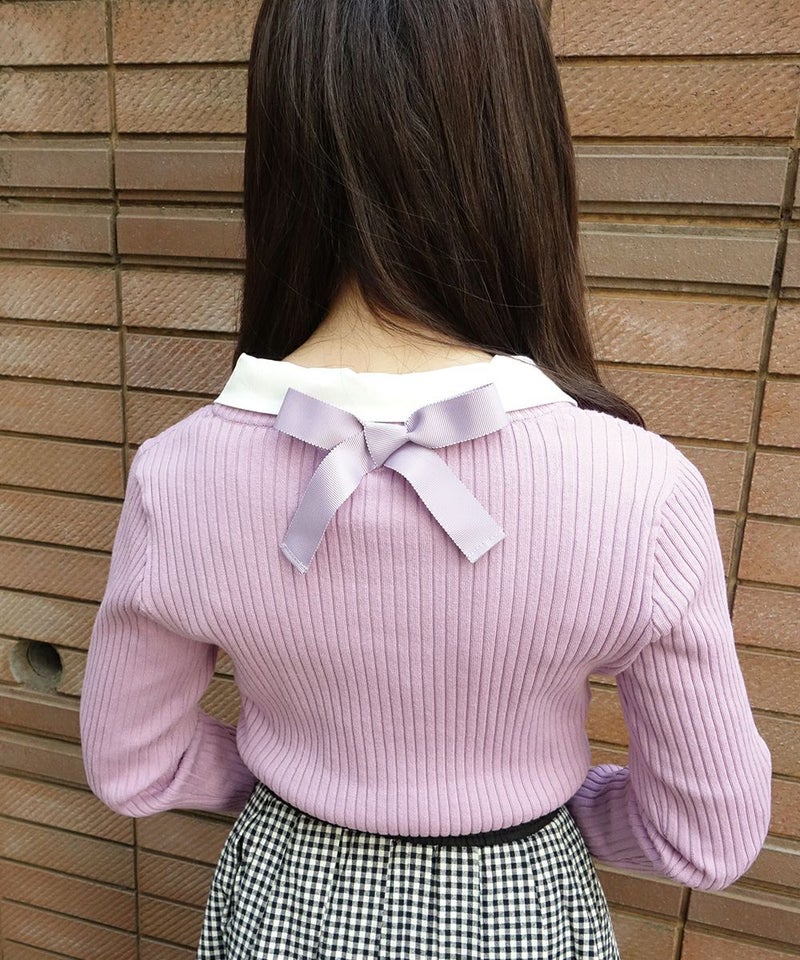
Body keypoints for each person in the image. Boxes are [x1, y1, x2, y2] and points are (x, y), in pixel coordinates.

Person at [78, 0, 772, 957]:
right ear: (522, 151)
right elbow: (710, 834)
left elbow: (130, 764)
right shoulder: (641, 490)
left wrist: (292, 785)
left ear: (279, 154)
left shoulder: (179, 475)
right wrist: (552, 811)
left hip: (285, 901)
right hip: (524, 907)